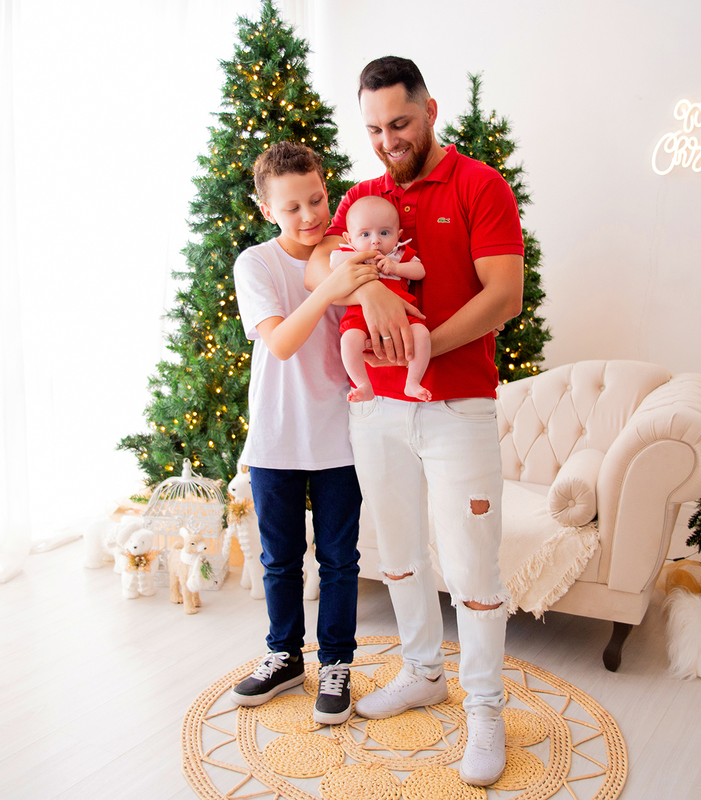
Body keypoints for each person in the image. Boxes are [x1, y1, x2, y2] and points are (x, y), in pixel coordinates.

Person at [305, 56, 525, 785]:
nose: (386, 140)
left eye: (399, 123)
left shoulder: (479, 186)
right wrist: (370, 298)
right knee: (397, 551)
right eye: (372, 128)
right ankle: (423, 671)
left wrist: (414, 337)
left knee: (473, 568)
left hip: (458, 406)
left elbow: (504, 297)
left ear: (429, 109)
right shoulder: (364, 197)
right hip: (377, 412)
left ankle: (485, 709)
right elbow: (316, 270)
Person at [228, 141, 378, 726]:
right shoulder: (257, 264)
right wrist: (330, 289)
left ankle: (336, 662)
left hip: (340, 436)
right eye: (293, 208)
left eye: (317, 199)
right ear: (268, 211)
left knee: (341, 561)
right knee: (280, 559)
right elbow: (283, 342)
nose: (310, 216)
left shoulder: (348, 251)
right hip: (275, 436)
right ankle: (284, 656)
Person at [330, 195, 432, 402]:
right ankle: (363, 384)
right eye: (365, 234)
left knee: (421, 334)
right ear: (349, 239)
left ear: (398, 235)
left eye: (384, 233)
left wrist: (395, 267)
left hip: (402, 315)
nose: (375, 240)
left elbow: (420, 270)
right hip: (360, 316)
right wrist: (361, 258)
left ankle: (412, 381)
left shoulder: (399, 254)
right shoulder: (350, 254)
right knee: (349, 341)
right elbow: (334, 262)